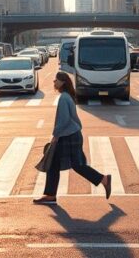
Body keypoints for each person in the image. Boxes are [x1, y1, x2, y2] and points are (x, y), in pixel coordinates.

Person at [33, 72, 112, 205]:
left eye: (56, 80)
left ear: (62, 82)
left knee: (73, 164)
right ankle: (50, 195)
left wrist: (55, 136)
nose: (54, 82)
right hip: (72, 135)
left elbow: (63, 120)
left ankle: (103, 179)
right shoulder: (67, 96)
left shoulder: (64, 98)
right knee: (58, 163)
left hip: (68, 136)